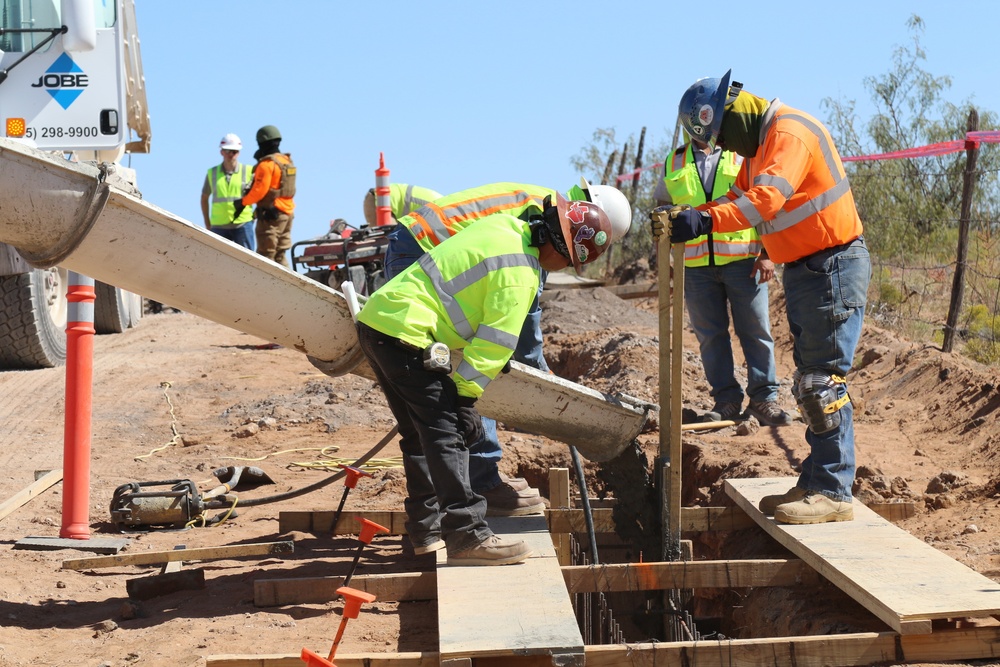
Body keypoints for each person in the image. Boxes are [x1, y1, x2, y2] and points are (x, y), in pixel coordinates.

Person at [652, 70, 870, 525]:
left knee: (821, 382)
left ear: (733, 114)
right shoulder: (758, 146)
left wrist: (706, 223)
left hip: (831, 265)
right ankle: (815, 480)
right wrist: (693, 215)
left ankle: (832, 490)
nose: (725, 148)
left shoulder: (789, 133)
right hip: (808, 269)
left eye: (721, 136)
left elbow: (764, 201)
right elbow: (737, 194)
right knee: (810, 378)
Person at [356, 194, 617, 564]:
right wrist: (464, 401)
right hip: (407, 335)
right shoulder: (521, 275)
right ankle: (467, 536)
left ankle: (426, 532)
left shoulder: (504, 227)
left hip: (379, 322)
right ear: (560, 250)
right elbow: (493, 346)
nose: (561, 268)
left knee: (418, 433)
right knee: (446, 432)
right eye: (569, 262)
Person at [654, 138, 791, 427]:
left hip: (743, 259)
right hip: (694, 266)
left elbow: (765, 203)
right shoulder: (674, 161)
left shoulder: (742, 154)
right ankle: (727, 400)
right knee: (710, 337)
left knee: (755, 331)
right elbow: (662, 208)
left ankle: (763, 399)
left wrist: (767, 253)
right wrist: (665, 258)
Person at [237, 125, 296, 266]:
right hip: (287, 214)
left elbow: (259, 191)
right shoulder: (287, 162)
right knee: (280, 254)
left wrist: (242, 202)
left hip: (271, 217)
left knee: (266, 256)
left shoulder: (267, 165)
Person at [200, 133, 255, 250]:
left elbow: (259, 195)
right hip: (219, 226)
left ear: (239, 153)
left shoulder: (249, 171)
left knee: (248, 263)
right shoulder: (212, 173)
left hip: (243, 224)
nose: (231, 154)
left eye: (234, 151)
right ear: (221, 152)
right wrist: (207, 224)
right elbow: (204, 198)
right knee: (217, 262)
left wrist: (253, 217)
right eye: (228, 151)